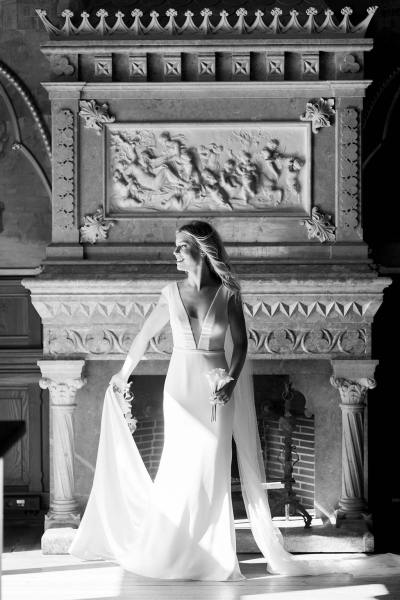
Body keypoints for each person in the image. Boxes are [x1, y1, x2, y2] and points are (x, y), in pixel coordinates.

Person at [69, 221, 323, 580]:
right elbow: (144, 336)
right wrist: (123, 373)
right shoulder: (170, 292)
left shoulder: (228, 292)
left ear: (201, 249)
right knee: (180, 469)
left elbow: (242, 344)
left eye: (180, 247)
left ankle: (214, 557)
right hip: (180, 392)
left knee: (212, 471)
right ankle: (176, 551)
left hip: (218, 391)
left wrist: (231, 382)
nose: (174, 253)